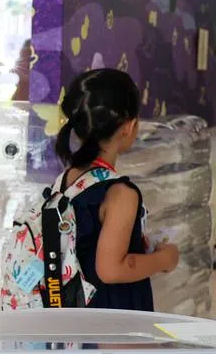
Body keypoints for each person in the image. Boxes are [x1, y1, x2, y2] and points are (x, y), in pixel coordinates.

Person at [54, 69, 180, 311]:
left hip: (76, 310)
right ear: (128, 127)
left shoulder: (67, 178)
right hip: (111, 316)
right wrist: (164, 259)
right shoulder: (121, 193)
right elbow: (111, 270)